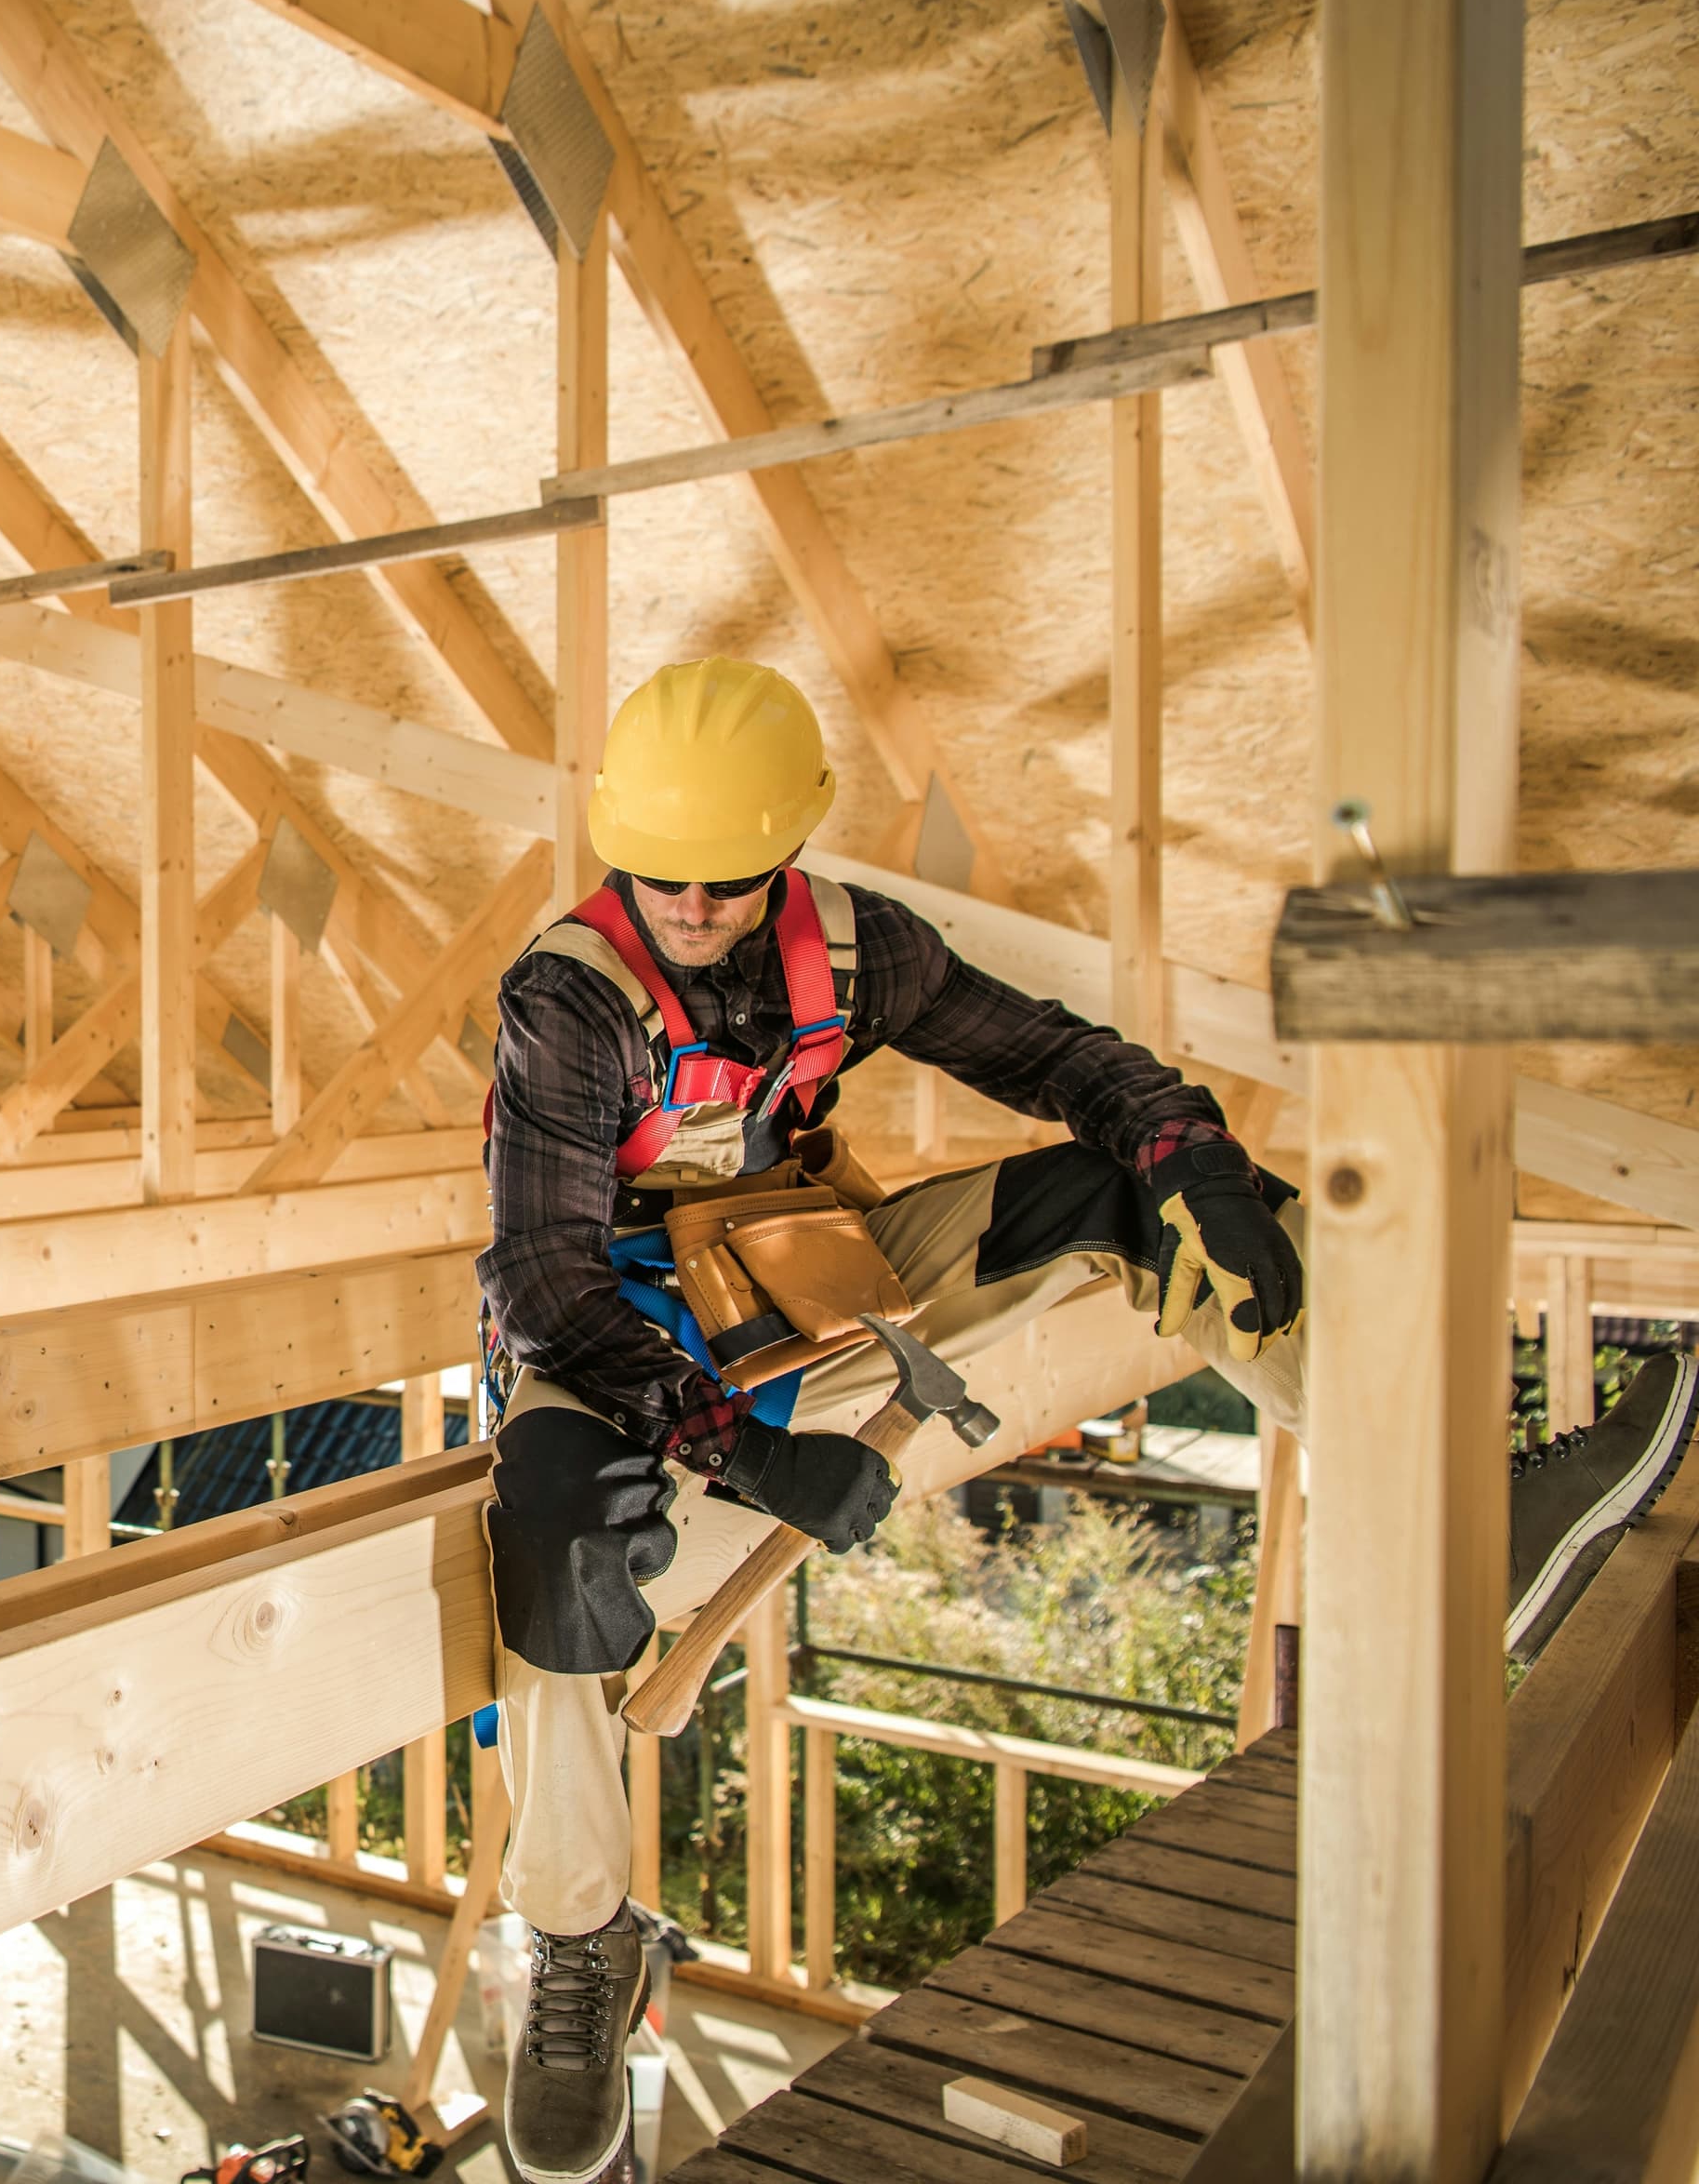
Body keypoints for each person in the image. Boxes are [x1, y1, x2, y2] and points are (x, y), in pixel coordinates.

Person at [480, 658, 1695, 2184]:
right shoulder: (567, 997)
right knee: (554, 1549)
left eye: (725, 882)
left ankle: (1461, 1516)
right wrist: (742, 1455)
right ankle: (582, 1938)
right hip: (616, 1326)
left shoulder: (861, 953)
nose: (691, 908)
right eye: (657, 878)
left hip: (798, 1261)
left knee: (1131, 1199)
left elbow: (1066, 1060)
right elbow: (543, 1278)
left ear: (786, 849)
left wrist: (1190, 1156)